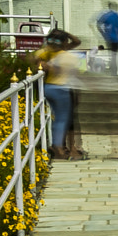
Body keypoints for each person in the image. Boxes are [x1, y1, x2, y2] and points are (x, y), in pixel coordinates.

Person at [39, 30, 83, 158]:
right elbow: (37, 61)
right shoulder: (46, 52)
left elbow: (77, 42)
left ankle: (68, 147)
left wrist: (63, 34)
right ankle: (61, 147)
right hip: (59, 86)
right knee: (63, 119)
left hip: (65, 85)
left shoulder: (60, 50)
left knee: (67, 119)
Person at [94, 2, 118, 76]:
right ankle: (114, 71)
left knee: (112, 55)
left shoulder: (106, 16)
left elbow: (98, 24)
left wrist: (104, 33)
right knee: (114, 55)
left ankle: (113, 71)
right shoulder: (115, 16)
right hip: (115, 38)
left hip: (110, 38)